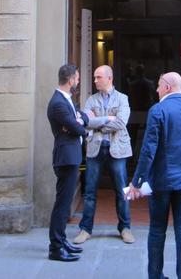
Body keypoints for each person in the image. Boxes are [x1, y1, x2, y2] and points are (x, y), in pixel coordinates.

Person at [127, 72, 181, 279]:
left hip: (162, 180)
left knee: (157, 230)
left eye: (159, 86)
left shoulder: (158, 110)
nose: (157, 89)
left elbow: (148, 149)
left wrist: (137, 181)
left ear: (168, 87)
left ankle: (155, 275)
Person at [73, 65, 135, 244]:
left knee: (122, 191)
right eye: (94, 77)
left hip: (118, 149)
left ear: (109, 78)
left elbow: (121, 123)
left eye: (98, 77)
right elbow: (85, 122)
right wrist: (109, 118)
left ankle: (125, 228)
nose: (94, 81)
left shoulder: (123, 99)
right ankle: (85, 229)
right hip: (95, 149)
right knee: (90, 191)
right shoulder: (91, 99)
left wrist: (97, 122)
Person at [47, 63, 89, 262]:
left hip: (72, 156)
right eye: (77, 78)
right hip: (66, 158)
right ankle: (55, 248)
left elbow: (82, 119)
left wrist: (78, 122)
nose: (78, 81)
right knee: (62, 205)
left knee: (64, 203)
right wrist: (78, 125)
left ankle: (62, 241)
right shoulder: (58, 103)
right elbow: (78, 127)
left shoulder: (67, 100)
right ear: (71, 79)